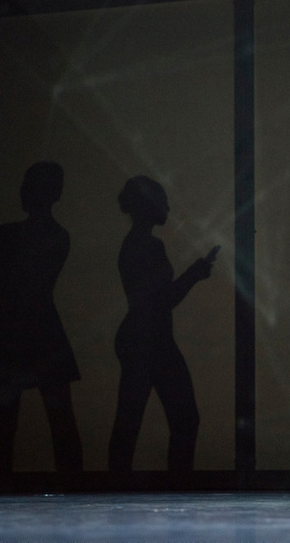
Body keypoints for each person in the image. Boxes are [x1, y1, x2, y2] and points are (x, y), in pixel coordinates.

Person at [0, 162, 83, 477]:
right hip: (46, 334)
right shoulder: (59, 237)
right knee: (62, 428)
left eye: (27, 185)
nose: (22, 190)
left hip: (10, 336)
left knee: (2, 432)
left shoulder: (9, 234)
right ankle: (76, 491)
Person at [108, 176, 218, 474]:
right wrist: (195, 273)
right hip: (150, 339)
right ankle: (177, 484)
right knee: (180, 418)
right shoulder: (146, 246)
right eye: (162, 200)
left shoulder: (135, 244)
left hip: (143, 338)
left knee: (131, 417)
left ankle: (120, 482)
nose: (168, 206)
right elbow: (162, 300)